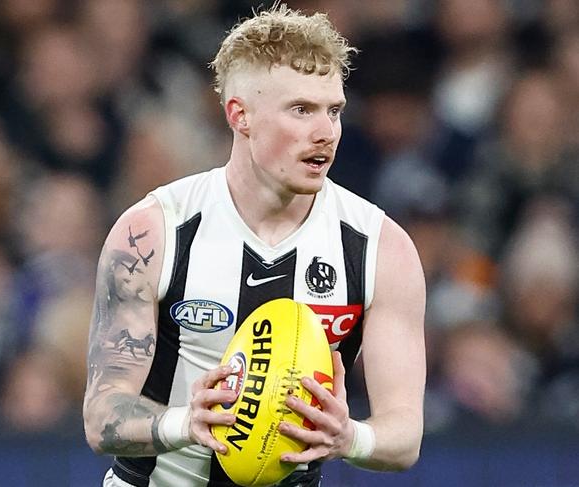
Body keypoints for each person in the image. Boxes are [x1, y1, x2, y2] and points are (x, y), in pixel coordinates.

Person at [83, 4, 426, 486]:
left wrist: (351, 439)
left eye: (334, 111)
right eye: (301, 109)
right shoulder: (154, 232)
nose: (325, 132)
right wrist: (185, 422)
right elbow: (103, 416)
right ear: (239, 115)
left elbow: (405, 434)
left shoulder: (379, 247)